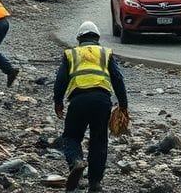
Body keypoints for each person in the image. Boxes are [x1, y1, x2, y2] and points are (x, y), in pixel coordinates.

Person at [53, 21, 129, 192]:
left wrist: (58, 102)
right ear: (97, 38)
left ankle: (76, 162)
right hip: (102, 101)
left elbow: (60, 80)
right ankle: (94, 183)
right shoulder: (105, 53)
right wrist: (123, 105)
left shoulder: (71, 54)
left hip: (78, 100)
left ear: (79, 38)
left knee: (71, 137)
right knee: (99, 141)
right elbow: (118, 79)